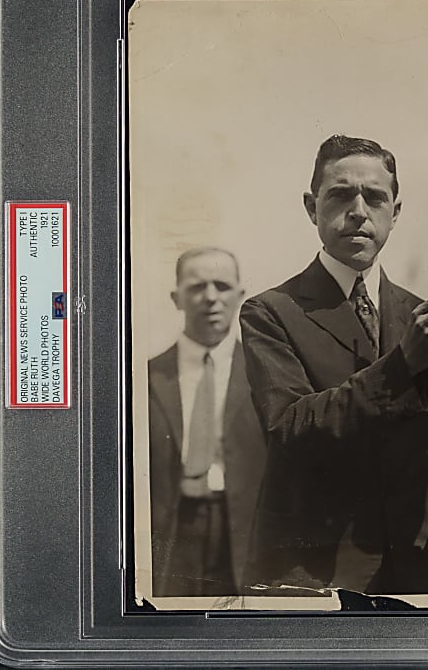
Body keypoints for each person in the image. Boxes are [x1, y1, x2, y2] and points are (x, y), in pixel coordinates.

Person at [239, 134, 428, 595]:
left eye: (375, 197)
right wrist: (402, 364)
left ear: (395, 213)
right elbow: (290, 428)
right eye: (341, 194)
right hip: (315, 574)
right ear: (311, 207)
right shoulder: (269, 312)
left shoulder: (418, 314)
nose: (359, 211)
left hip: (418, 569)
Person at [148, 247, 267, 596]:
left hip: (244, 532)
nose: (211, 298)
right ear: (177, 298)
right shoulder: (147, 375)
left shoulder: (265, 374)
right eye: (198, 287)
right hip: (172, 529)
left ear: (240, 297)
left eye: (222, 286)